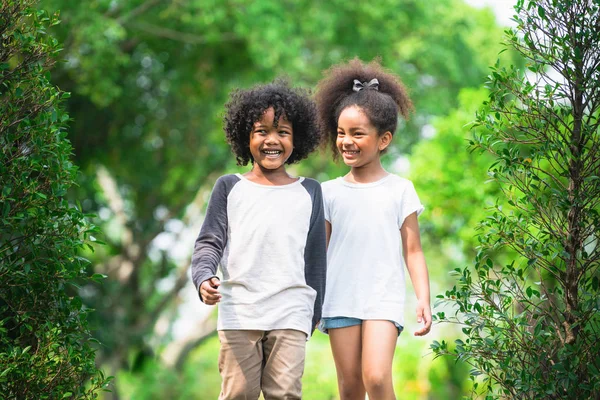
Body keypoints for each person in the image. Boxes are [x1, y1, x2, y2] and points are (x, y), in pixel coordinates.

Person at [190, 80, 326, 400]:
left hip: (291, 311)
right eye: (261, 130)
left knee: (285, 394)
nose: (272, 139)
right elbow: (209, 241)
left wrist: (316, 309)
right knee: (238, 394)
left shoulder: (310, 192)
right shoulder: (229, 187)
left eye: (283, 131)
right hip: (240, 312)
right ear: (245, 136)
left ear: (297, 139)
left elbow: (315, 257)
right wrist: (203, 277)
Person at [315, 58, 432, 400]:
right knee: (350, 387)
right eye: (340, 133)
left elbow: (413, 250)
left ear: (383, 140)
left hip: (383, 296)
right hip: (340, 298)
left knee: (377, 378)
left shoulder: (401, 189)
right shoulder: (328, 192)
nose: (346, 141)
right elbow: (319, 254)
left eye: (357, 133)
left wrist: (423, 298)